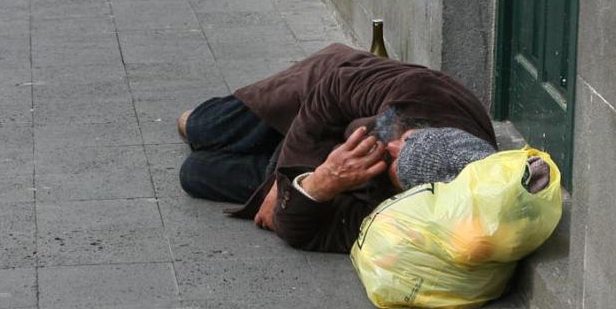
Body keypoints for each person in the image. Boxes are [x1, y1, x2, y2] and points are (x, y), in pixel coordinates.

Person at [177, 43, 499, 253]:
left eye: (395, 159)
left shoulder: (407, 219)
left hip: (324, 171)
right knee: (201, 127)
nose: (394, 144)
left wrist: (320, 183)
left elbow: (308, 233)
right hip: (313, 99)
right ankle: (205, 121)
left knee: (195, 173)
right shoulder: (422, 94)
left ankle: (274, 162)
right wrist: (280, 179)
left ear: (412, 192)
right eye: (407, 138)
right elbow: (335, 87)